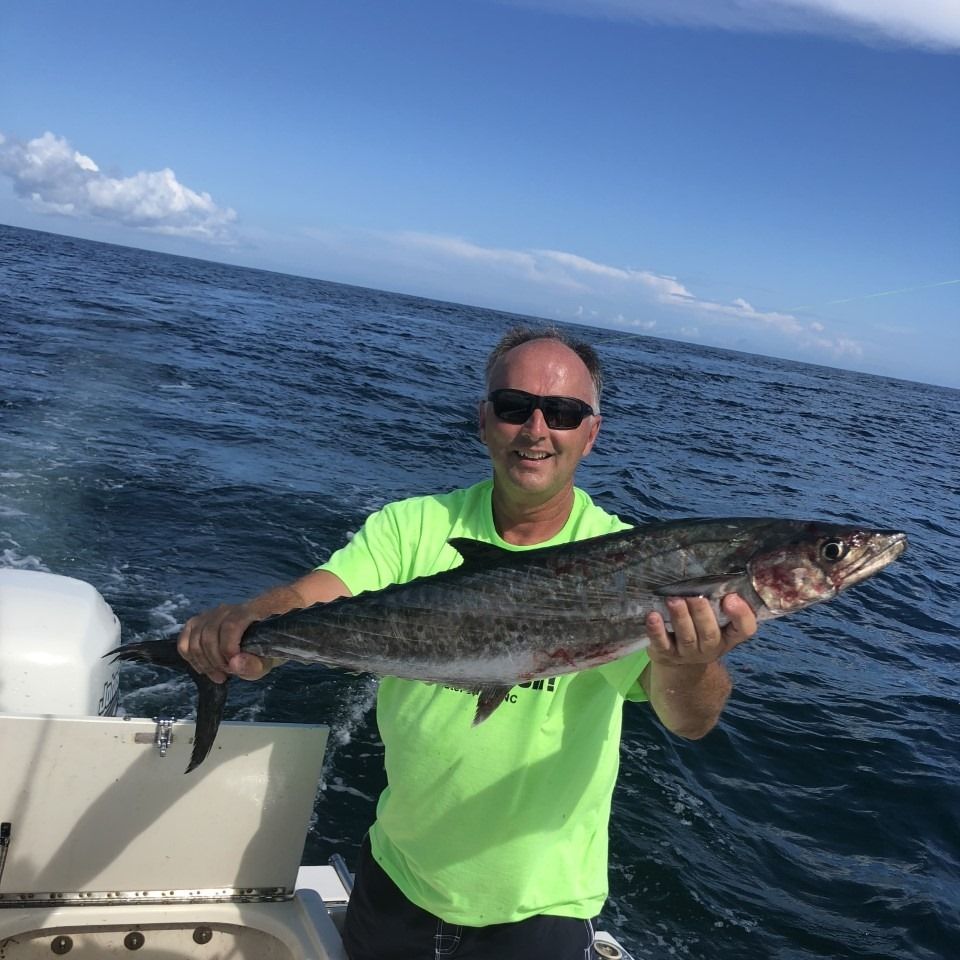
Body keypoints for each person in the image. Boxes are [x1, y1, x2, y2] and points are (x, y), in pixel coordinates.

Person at [178, 327, 757, 960]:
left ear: (590, 435)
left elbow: (691, 720)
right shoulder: (413, 526)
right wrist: (252, 625)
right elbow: (308, 596)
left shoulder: (632, 560)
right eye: (515, 407)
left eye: (562, 413)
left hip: (540, 906)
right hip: (398, 877)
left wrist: (694, 665)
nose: (537, 429)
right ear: (484, 421)